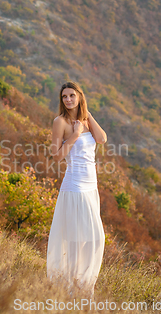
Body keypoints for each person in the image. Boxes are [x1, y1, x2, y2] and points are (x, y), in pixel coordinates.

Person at [47, 81, 107, 298]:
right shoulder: (59, 122)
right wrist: (74, 135)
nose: (68, 99)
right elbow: (56, 155)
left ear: (80, 97)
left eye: (72, 95)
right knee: (77, 238)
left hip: (92, 187)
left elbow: (101, 139)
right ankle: (72, 289)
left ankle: (85, 286)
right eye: (65, 96)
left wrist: (86, 115)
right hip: (74, 186)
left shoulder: (86, 120)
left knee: (95, 238)